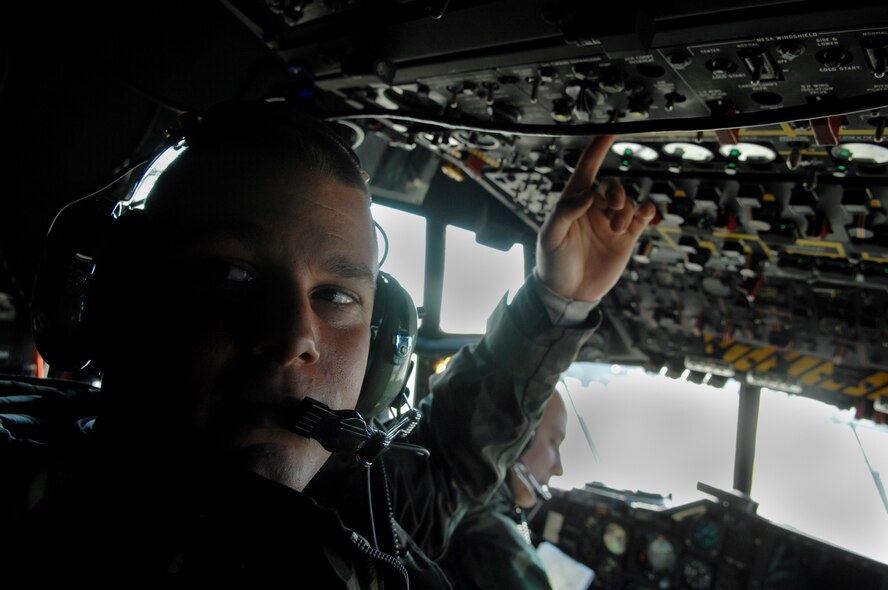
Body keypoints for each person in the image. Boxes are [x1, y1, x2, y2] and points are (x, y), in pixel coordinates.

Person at [4, 99, 655, 587]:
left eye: (336, 296)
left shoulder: (347, 500)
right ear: (118, 299)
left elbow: (451, 471)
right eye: (232, 275)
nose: (296, 337)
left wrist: (556, 300)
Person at [437, 390, 569, 590]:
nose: (559, 469)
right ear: (521, 439)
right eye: (554, 442)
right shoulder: (495, 541)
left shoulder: (449, 491)